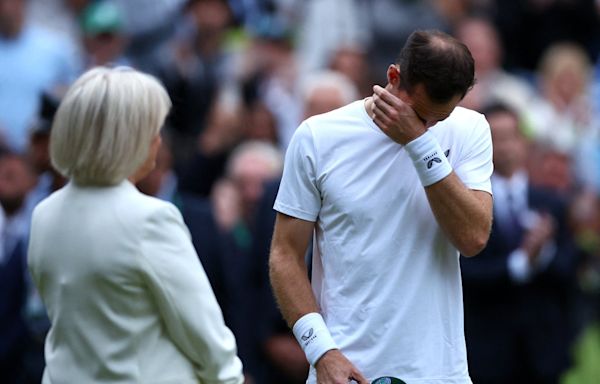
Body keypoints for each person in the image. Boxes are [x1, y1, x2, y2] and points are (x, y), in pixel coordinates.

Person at [269, 29, 493, 382]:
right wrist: (321, 352)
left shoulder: (470, 129)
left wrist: (420, 144)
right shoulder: (317, 136)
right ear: (393, 77)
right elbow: (284, 255)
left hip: (438, 372)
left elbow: (473, 237)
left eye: (441, 118)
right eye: (420, 114)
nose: (430, 125)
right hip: (344, 371)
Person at [27, 66, 244, 384]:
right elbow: (206, 337)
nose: (158, 140)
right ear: (125, 139)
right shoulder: (150, 219)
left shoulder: (44, 214)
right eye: (152, 129)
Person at [460, 102, 578, 384]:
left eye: (511, 136)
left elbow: (570, 267)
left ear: (524, 142)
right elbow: (465, 271)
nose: (505, 146)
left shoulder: (552, 203)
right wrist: (519, 264)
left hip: (543, 350)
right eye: (495, 138)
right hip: (488, 349)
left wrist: (543, 252)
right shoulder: (466, 201)